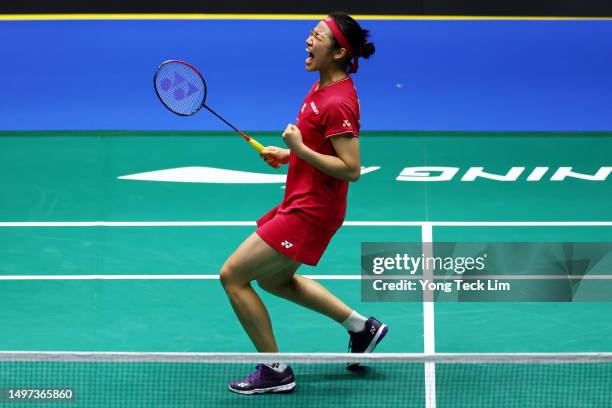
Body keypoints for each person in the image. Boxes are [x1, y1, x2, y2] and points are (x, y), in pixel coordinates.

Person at [220, 13, 386, 395]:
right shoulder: (322, 88)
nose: (309, 41)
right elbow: (318, 149)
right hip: (301, 200)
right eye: (310, 33)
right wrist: (289, 155)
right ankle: (362, 328)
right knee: (275, 280)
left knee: (232, 276)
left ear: (339, 51)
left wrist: (298, 149)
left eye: (318, 36)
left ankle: (275, 369)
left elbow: (351, 169)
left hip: (310, 211)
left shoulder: (338, 102)